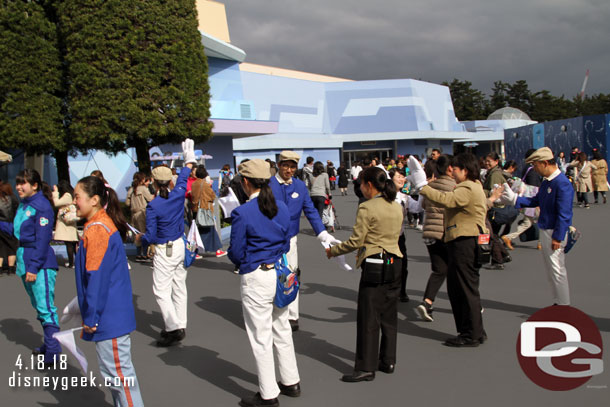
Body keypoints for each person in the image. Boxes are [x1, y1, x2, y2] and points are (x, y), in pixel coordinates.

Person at [228, 159, 300, 407]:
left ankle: (268, 394)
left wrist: (245, 261)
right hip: (279, 272)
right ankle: (291, 381)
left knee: (261, 336)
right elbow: (285, 240)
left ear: (246, 182)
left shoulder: (242, 212)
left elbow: (235, 252)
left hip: (256, 276)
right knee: (281, 326)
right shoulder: (280, 206)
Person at [73, 176, 145, 407]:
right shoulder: (101, 224)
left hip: (108, 317)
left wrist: (91, 316)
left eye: (77, 197)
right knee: (117, 376)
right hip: (112, 313)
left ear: (94, 200)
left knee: (120, 378)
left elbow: (96, 278)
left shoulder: (96, 230)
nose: (74, 202)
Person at [327, 166, 403, 382]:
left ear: (369, 185)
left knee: (369, 316)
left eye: (361, 184)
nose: (359, 188)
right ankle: (388, 360)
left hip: (375, 263)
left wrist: (333, 251)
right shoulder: (396, 205)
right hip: (394, 260)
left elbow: (356, 241)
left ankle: (366, 367)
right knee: (389, 314)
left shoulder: (367, 207)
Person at [409, 154, 492, 347]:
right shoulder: (475, 186)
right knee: (467, 288)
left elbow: (446, 200)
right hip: (468, 240)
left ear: (465, 170)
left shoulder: (467, 187)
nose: (451, 171)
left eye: (455, 168)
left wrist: (423, 187)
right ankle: (476, 331)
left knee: (462, 289)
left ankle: (469, 333)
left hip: (464, 241)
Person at [270, 151, 339, 331]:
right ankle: (274, 313)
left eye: (293, 167)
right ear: (279, 165)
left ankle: (292, 316)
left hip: (291, 239)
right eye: (286, 166)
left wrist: (322, 233)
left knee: (291, 275)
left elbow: (310, 211)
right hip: (270, 240)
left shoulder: (300, 187)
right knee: (272, 277)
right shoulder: (268, 185)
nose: (289, 170)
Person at [137, 139, 197, 347]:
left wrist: (140, 239)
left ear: (153, 182)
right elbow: (183, 176)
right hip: (180, 245)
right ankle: (180, 323)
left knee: (161, 291)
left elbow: (151, 235)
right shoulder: (178, 194)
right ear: (168, 182)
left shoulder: (154, 206)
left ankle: (173, 328)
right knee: (179, 286)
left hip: (165, 250)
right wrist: (188, 159)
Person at [0, 170, 61, 364]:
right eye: (17, 183)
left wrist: (34, 267)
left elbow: (42, 240)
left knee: (46, 307)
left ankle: (53, 351)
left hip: (39, 262)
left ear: (34, 185)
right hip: (25, 259)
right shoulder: (26, 205)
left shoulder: (41, 206)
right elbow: (17, 232)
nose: (18, 187)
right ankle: (49, 343)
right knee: (38, 306)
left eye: (22, 183)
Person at [499, 147, 573, 305]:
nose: (535, 170)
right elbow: (535, 201)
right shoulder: (548, 181)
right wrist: (514, 199)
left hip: (554, 232)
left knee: (558, 271)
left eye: (536, 165)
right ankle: (558, 302)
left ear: (545, 163)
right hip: (546, 229)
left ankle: (564, 306)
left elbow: (564, 214)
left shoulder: (562, 183)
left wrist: (558, 237)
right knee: (550, 271)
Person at [416, 155, 456, 322]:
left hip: (430, 233)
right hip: (447, 233)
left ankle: (427, 302)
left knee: (439, 270)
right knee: (455, 271)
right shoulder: (456, 187)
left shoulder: (430, 186)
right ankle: (466, 304)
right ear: (450, 169)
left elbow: (423, 206)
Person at [502, 149, 542, 251]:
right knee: (544, 219)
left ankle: (508, 237)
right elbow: (534, 188)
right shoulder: (533, 170)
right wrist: (538, 202)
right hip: (532, 200)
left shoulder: (527, 168)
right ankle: (540, 242)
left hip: (526, 199)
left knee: (527, 223)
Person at [482, 152, 512, 270]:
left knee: (491, 235)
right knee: (493, 234)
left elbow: (492, 191)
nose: (487, 163)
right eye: (486, 161)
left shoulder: (494, 174)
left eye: (489, 161)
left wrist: (481, 191)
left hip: (495, 208)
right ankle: (504, 255)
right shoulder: (494, 172)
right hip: (499, 208)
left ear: (496, 161)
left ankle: (498, 260)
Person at [191, 165, 226, 257]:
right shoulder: (205, 185)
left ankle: (195, 251)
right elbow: (212, 196)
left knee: (197, 232)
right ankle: (218, 250)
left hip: (195, 209)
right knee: (211, 230)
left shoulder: (193, 184)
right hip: (205, 210)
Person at [389, 167, 410, 303]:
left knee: (403, 266)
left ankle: (402, 291)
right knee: (390, 265)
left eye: (403, 176)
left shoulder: (405, 197)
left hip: (400, 238)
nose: (402, 179)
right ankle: (390, 291)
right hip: (388, 239)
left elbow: (418, 207)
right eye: (398, 176)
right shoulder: (385, 198)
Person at [126, 172, 154, 261]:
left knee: (136, 233)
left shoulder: (131, 189)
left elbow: (127, 203)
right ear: (142, 179)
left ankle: (138, 254)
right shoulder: (143, 189)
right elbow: (150, 199)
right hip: (142, 212)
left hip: (133, 214)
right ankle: (144, 254)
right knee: (144, 232)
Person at [51, 180, 79, 268]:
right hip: (71, 222)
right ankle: (77, 262)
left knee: (69, 244)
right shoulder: (72, 194)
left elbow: (56, 203)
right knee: (73, 244)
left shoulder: (67, 195)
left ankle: (71, 263)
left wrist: (55, 192)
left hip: (67, 223)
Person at [0, 180, 19, 274]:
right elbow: (18, 209)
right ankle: (11, 268)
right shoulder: (13, 198)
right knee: (12, 246)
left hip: (0, 224)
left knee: (1, 246)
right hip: (10, 224)